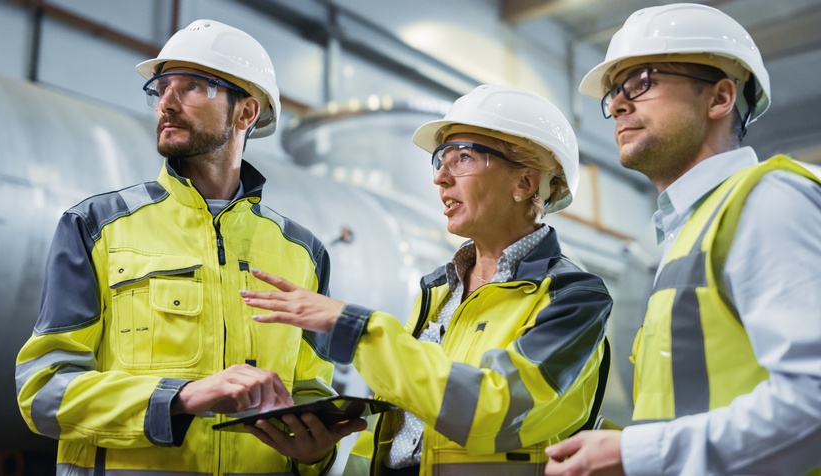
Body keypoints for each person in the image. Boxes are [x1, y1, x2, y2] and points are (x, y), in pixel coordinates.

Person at [15, 19, 363, 475]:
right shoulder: (96, 226)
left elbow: (311, 392)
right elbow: (43, 393)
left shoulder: (303, 252)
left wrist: (316, 454)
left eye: (193, 86)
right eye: (161, 87)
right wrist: (178, 399)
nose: (166, 103)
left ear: (246, 113)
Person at [239, 84, 613, 475]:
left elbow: (494, 412)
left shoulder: (574, 299)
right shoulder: (438, 290)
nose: (441, 178)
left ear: (525, 183)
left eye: (463, 157)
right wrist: (316, 457)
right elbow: (390, 434)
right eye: (441, 160)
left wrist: (355, 327)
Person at [545, 4, 821, 475]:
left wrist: (638, 454)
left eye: (643, 81)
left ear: (719, 98)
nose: (616, 105)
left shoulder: (766, 201)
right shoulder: (689, 230)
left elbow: (813, 399)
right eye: (613, 92)